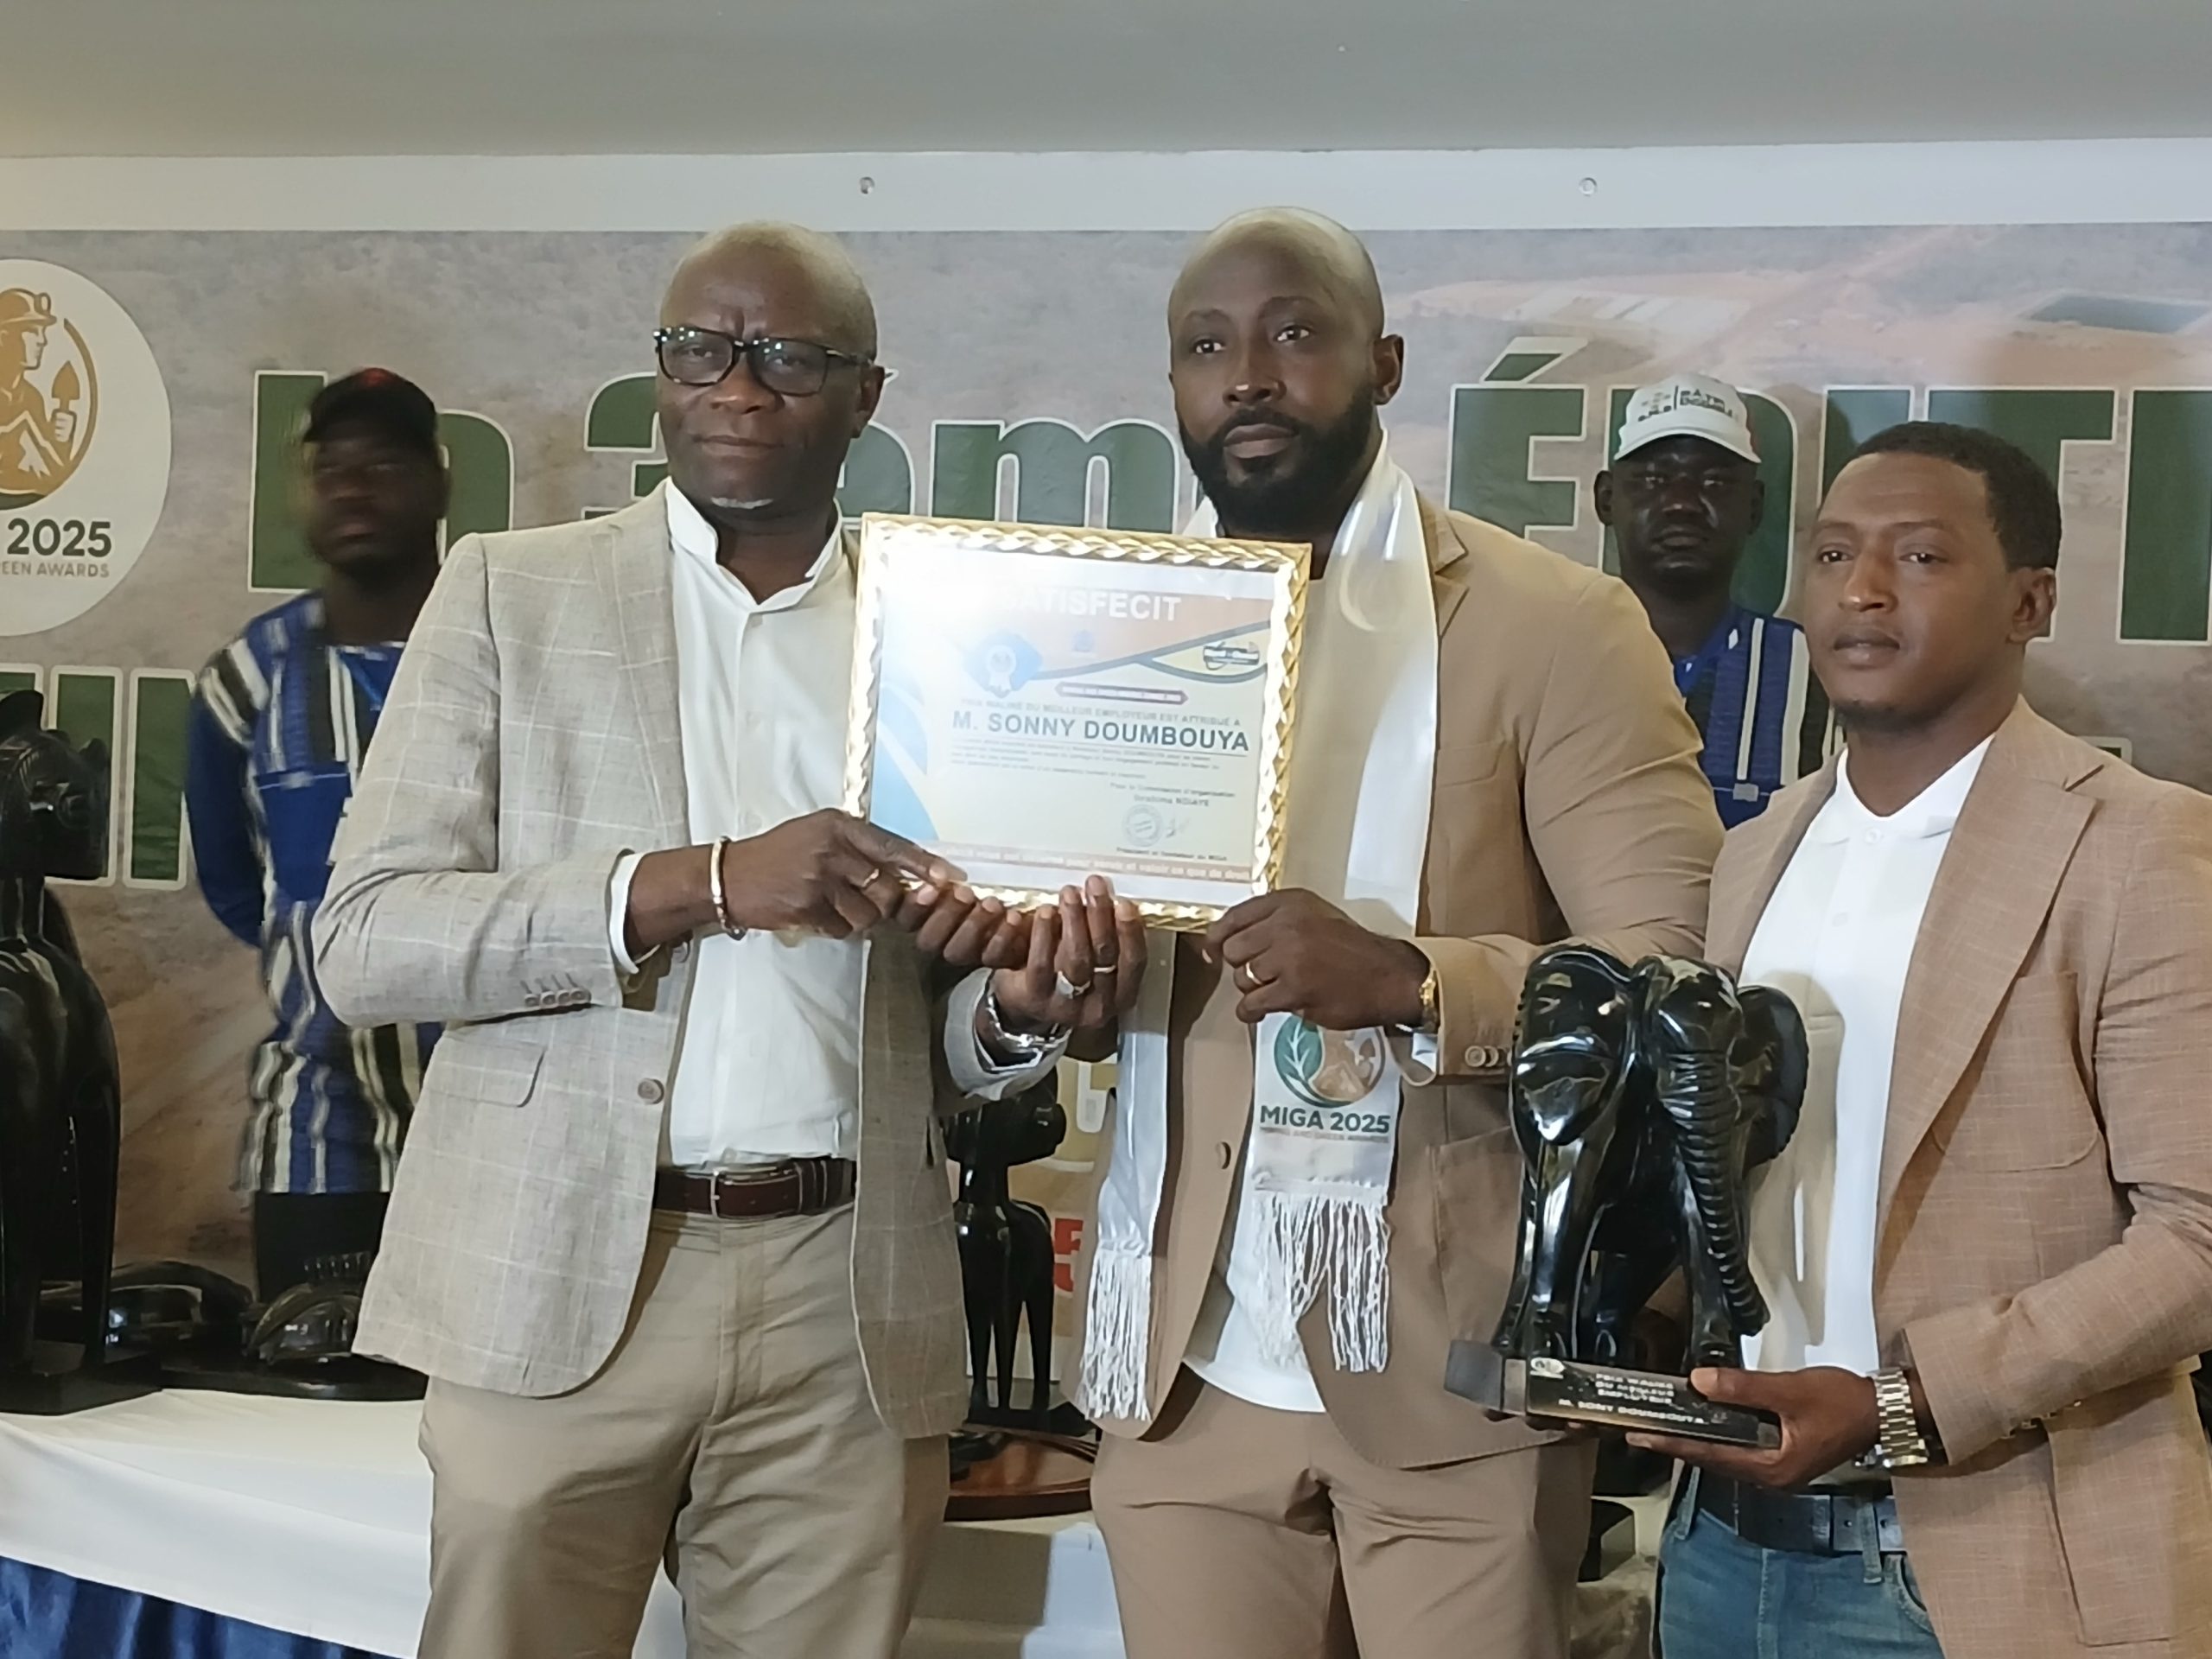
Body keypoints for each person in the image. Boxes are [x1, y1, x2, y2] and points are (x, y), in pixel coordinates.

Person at [313, 224, 1144, 1659]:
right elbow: (368, 940)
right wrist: (698, 884)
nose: (736, 388)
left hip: (845, 1290)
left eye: (787, 358)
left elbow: (935, 1027)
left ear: (866, 395)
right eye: (699, 350)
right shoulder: (513, 591)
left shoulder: (945, 631)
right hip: (556, 1270)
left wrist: (1012, 1008)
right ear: (661, 373)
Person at [1071, 209, 1724, 1659]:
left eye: (1295, 333)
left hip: (1449, 1359)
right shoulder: (1111, 628)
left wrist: (1414, 978)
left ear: (1385, 363)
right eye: (1206, 347)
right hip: (1183, 1371)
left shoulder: (1558, 626)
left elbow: (1679, 971)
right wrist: (1041, 993)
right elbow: (1035, 948)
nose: (1248, 374)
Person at [1635, 423, 2212, 1659]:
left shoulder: (2140, 848)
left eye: (1920, 556)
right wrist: (1630, 1326)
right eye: (1833, 553)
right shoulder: (1754, 854)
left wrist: (1902, 1406)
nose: (1862, 590)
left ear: (2029, 603)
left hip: (1981, 1563)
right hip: (1720, 1552)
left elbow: (2197, 1241)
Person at [186, 369, 448, 1297]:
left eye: (383, 464)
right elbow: (236, 885)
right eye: (332, 468)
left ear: (439, 483)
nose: (354, 488)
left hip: (495, 1116)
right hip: (318, 1129)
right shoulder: (246, 679)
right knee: (305, 1376)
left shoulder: (508, 649)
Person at [1595, 373, 1830, 826]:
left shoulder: (1816, 670)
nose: (1681, 503)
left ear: (1754, 507)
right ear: (1606, 499)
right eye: (1653, 479)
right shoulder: (1547, 662)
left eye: (1715, 483)